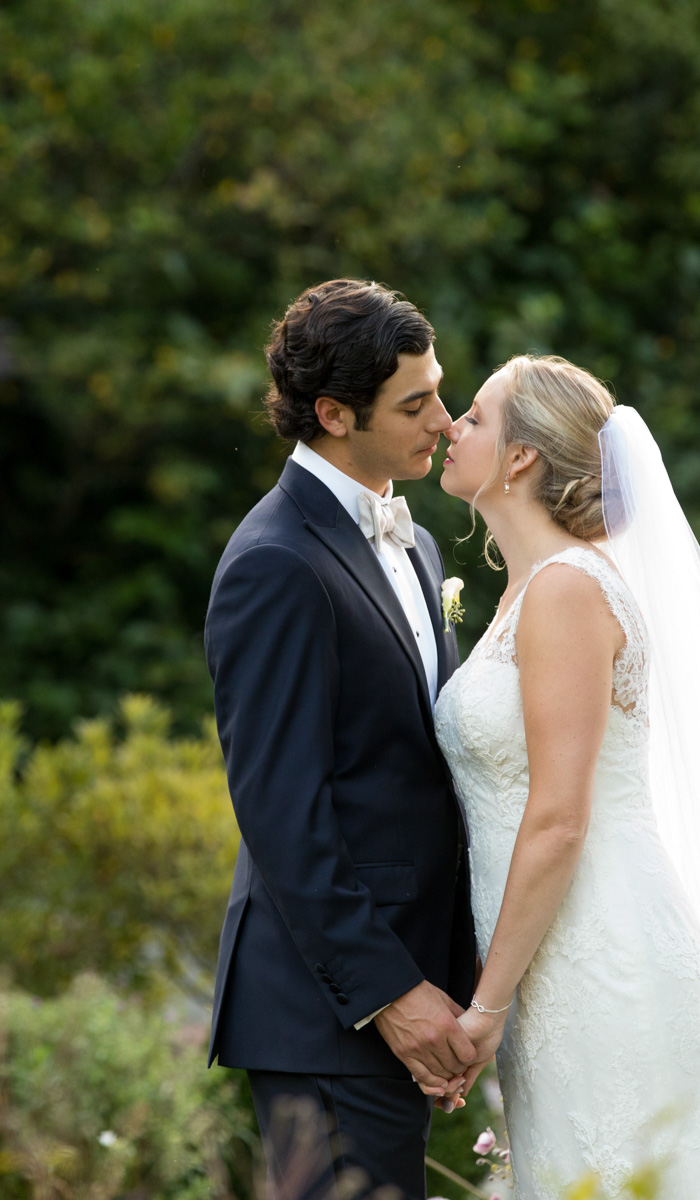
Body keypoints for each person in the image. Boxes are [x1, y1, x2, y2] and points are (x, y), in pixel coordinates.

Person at [432, 354, 700, 1197]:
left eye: (473, 416)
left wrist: (484, 1007)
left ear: (521, 459)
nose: (449, 427)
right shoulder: (524, 595)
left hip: (607, 962)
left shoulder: (566, 593)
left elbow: (559, 818)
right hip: (556, 970)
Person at [205, 279, 482, 1200]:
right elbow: (284, 815)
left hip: (409, 992)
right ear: (332, 413)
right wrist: (392, 998)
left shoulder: (415, 544)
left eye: (439, 390)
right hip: (329, 1018)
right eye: (415, 403)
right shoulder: (275, 563)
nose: (444, 420)